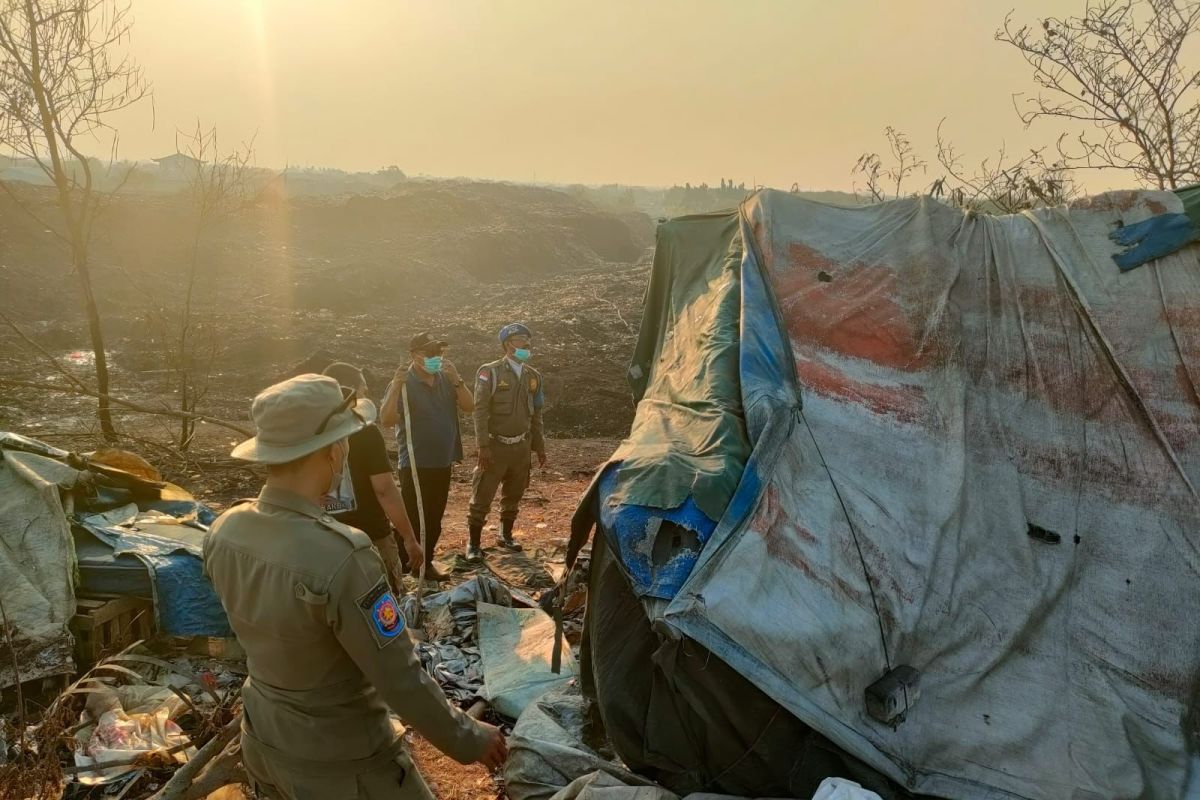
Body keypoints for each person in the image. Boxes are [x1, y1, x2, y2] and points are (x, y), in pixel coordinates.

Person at [204, 374, 506, 799]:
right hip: (344, 762)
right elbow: (399, 677)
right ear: (333, 450)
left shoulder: (225, 528)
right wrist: (470, 737)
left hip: (264, 740)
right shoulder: (344, 554)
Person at [320, 361, 423, 588]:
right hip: (371, 537)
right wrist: (409, 539)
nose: (366, 394)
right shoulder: (365, 432)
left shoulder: (310, 432)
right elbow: (384, 489)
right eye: (363, 390)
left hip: (323, 538)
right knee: (385, 610)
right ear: (351, 392)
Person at [379, 333, 473, 581]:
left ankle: (425, 563)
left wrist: (457, 380)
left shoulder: (446, 379)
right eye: (430, 354)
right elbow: (387, 419)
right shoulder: (404, 381)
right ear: (415, 356)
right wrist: (396, 387)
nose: (436, 358)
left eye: (439, 353)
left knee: (433, 518)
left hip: (442, 461)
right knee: (411, 518)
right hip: (414, 462)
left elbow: (469, 406)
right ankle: (401, 565)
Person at [466, 323, 546, 561]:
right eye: (520, 339)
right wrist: (483, 446)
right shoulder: (489, 372)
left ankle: (506, 534)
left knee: (514, 494)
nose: (526, 344)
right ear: (507, 345)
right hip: (495, 447)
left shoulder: (533, 377)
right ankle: (473, 543)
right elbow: (479, 410)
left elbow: (537, 414)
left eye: (527, 339)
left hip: (521, 447)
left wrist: (539, 447)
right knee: (482, 496)